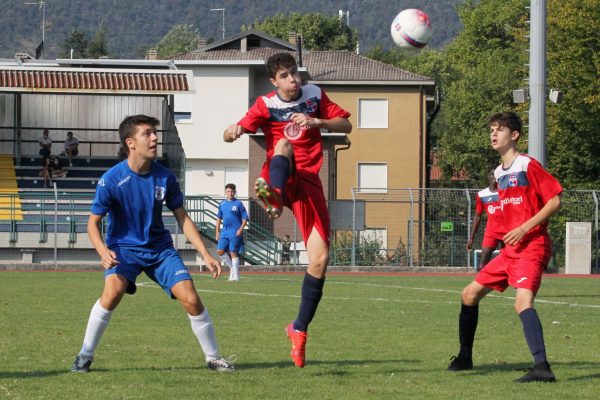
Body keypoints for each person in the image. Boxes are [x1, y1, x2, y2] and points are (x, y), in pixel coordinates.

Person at [71, 115, 234, 373]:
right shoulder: (111, 179)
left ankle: (214, 358)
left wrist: (206, 253)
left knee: (191, 299)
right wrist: (103, 251)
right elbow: (92, 223)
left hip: (160, 251)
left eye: (154, 133)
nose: (154, 138)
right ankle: (84, 356)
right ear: (130, 142)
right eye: (147, 133)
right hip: (124, 249)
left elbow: (183, 218)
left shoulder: (165, 177)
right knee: (112, 292)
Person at [223, 52, 352, 368]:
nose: (293, 79)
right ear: (274, 81)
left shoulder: (314, 95)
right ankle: (275, 199)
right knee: (283, 145)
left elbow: (347, 124)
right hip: (280, 173)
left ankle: (299, 328)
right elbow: (230, 134)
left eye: (294, 73)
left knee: (320, 259)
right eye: (285, 75)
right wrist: (233, 131)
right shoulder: (265, 105)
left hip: (309, 182)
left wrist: (317, 121)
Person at [448, 112, 562, 383]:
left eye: (499, 130)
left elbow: (555, 201)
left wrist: (524, 228)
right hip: (510, 252)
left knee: (522, 302)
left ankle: (542, 368)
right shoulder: (499, 173)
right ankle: (465, 358)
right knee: (468, 295)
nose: (493, 134)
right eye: (491, 130)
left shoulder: (527, 165)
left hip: (531, 247)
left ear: (514, 135)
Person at [467, 170, 504, 271]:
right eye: (492, 174)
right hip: (491, 232)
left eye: (496, 174)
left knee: (511, 262)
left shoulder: (505, 191)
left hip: (508, 231)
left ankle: (516, 285)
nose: (494, 176)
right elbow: (477, 216)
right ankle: (480, 285)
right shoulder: (482, 194)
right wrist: (471, 238)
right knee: (482, 265)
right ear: (489, 177)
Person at [215, 183, 249, 282]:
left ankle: (236, 275)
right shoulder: (222, 204)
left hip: (235, 231)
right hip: (224, 231)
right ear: (226, 192)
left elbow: (245, 218)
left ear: (235, 192)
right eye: (229, 191)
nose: (231, 193)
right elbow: (218, 218)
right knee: (220, 251)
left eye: (232, 191)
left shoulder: (238, 203)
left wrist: (240, 229)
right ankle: (231, 268)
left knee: (233, 252)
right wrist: (217, 231)